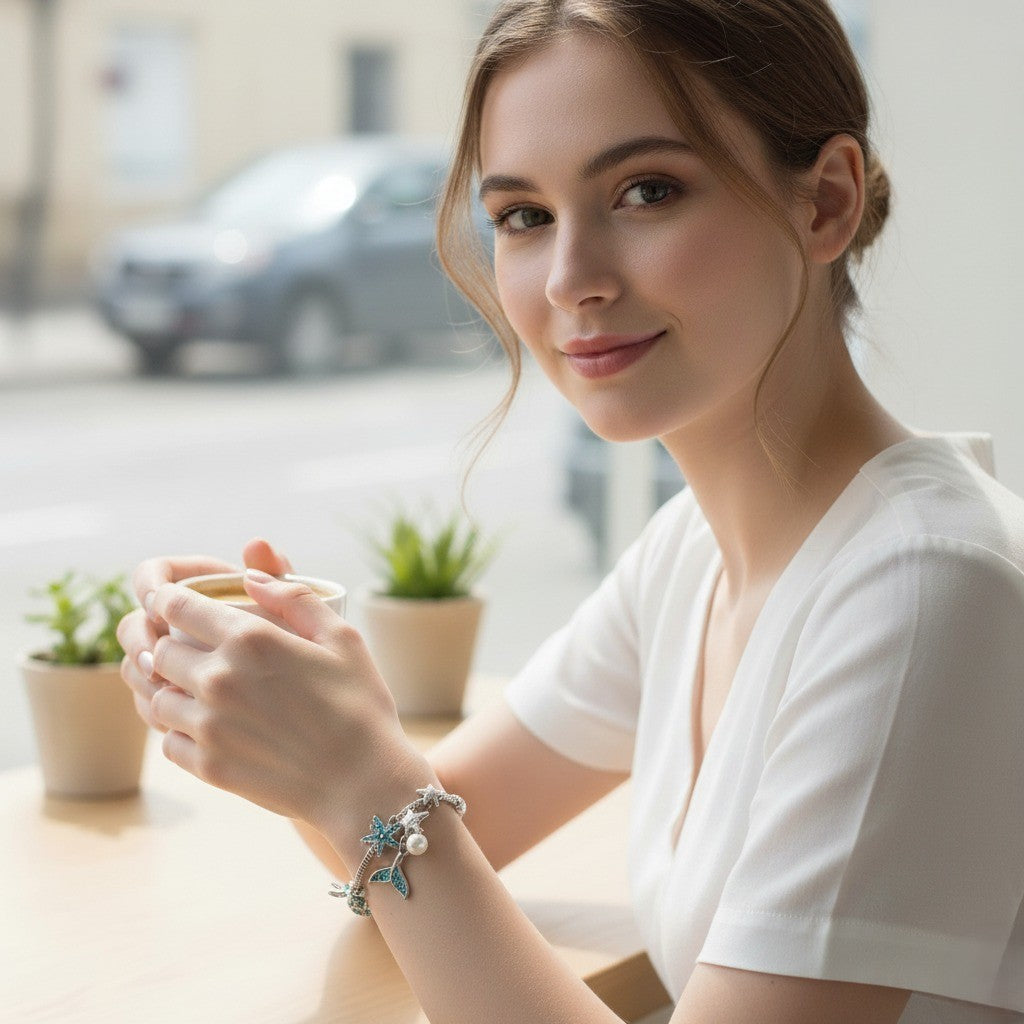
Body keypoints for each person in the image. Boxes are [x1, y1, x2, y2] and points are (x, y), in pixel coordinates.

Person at [117, 2, 1024, 1021]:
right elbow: (411, 842)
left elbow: (396, 828)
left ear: (824, 202)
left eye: (645, 191)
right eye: (522, 216)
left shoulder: (922, 589)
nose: (570, 280)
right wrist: (297, 692)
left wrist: (362, 779)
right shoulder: (690, 554)